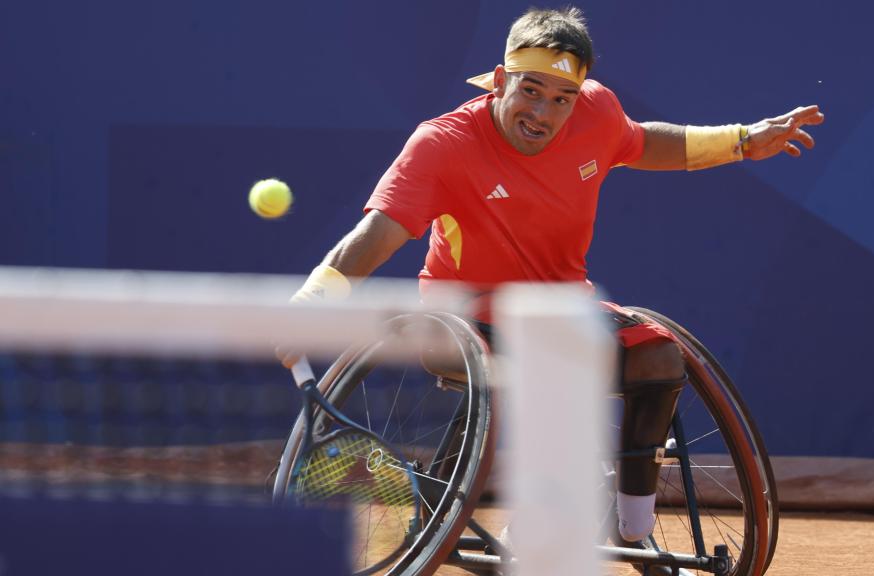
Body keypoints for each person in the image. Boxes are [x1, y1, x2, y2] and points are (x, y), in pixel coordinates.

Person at [282, 6, 823, 570]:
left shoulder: (598, 112)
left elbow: (642, 143)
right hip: (464, 320)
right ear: (499, 80)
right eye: (530, 90)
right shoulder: (441, 144)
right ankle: (517, 511)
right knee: (546, 364)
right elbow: (378, 234)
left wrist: (741, 141)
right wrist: (308, 305)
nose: (542, 112)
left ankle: (631, 529)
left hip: (563, 313)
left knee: (660, 358)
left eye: (561, 98)